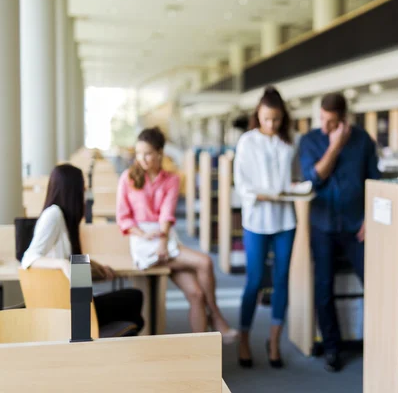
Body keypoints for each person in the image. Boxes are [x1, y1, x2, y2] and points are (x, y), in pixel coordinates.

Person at [116, 126, 237, 342]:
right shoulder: (128, 178)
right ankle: (217, 317)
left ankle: (200, 352)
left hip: (164, 237)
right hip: (142, 241)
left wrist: (162, 240)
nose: (142, 158)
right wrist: (142, 233)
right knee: (205, 262)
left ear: (160, 152)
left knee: (197, 295)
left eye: (148, 153)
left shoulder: (171, 179)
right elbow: (123, 216)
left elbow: (166, 213)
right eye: (138, 153)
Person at [298, 93, 380, 372]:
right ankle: (332, 348)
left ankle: (381, 343)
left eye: (331, 122)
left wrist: (371, 218)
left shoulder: (363, 140)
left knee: (377, 283)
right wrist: (334, 146)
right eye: (322, 119)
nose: (324, 126)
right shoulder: (310, 140)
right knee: (323, 288)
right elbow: (313, 178)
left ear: (344, 120)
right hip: (322, 225)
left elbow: (374, 182)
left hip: (356, 225)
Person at [22, 164, 145, 333]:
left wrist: (96, 267)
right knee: (134, 298)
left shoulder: (63, 217)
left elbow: (70, 258)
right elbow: (28, 258)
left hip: (73, 306)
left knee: (132, 306)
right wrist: (63, 264)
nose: (85, 189)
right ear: (71, 188)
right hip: (68, 313)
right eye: (82, 185)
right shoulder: (53, 215)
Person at [233, 86, 297, 369]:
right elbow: (241, 183)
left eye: (276, 119)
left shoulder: (288, 143)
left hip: (285, 220)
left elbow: (294, 178)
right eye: (266, 119)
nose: (271, 124)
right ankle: (244, 337)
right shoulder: (247, 142)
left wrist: (294, 189)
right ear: (257, 115)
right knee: (255, 280)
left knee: (281, 279)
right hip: (257, 219)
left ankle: (274, 341)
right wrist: (264, 194)